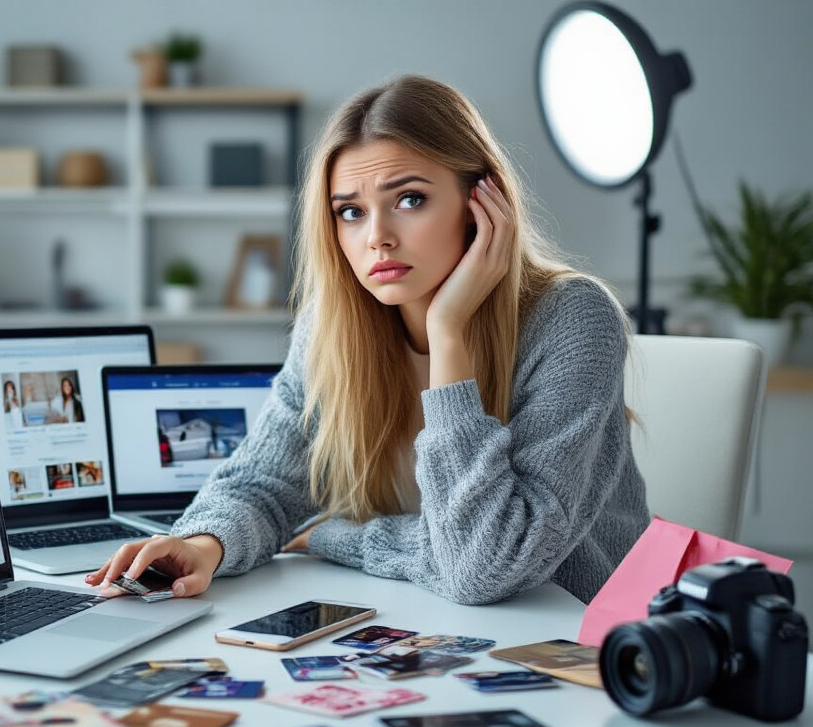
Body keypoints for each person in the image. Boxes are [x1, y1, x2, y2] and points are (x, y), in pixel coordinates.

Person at [89, 75, 648, 606]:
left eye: (409, 200)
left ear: (483, 202)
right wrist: (204, 545)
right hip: (418, 617)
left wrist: (447, 333)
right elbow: (265, 481)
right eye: (351, 212)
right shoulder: (331, 324)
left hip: (576, 636)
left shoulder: (572, 318)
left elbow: (486, 565)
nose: (377, 237)